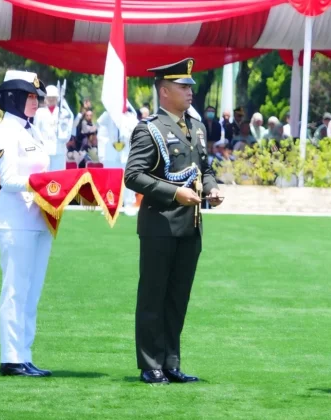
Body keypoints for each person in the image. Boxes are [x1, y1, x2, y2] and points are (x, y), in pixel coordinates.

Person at [124, 57, 224, 385]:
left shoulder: (197, 127)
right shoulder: (149, 129)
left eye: (190, 86)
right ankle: (150, 364)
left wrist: (212, 187)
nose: (190, 91)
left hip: (190, 226)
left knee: (177, 298)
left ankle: (171, 362)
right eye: (183, 86)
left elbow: (205, 168)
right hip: (160, 225)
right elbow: (133, 175)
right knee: (153, 296)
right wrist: (174, 193)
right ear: (164, 91)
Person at [0, 70, 53, 377]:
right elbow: (9, 180)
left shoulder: (31, 130)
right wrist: (46, 184)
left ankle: (24, 355)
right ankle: (11, 358)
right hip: (15, 221)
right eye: (29, 96)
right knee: (15, 290)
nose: (35, 101)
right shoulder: (4, 132)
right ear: (12, 98)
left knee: (32, 292)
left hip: (39, 219)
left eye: (36, 96)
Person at [97, 101, 139, 215]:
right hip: (110, 152)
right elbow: (101, 134)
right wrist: (102, 153)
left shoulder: (131, 118)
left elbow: (136, 134)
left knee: (128, 178)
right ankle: (111, 204)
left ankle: (128, 204)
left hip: (126, 152)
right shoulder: (107, 116)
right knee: (110, 179)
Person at [34, 85, 74, 171]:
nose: (51, 99)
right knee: (45, 174)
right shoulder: (39, 113)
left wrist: (64, 140)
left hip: (59, 150)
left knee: (58, 175)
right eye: (49, 97)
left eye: (53, 97)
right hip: (44, 150)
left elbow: (67, 131)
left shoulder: (64, 112)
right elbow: (36, 131)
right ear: (45, 98)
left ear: (57, 98)